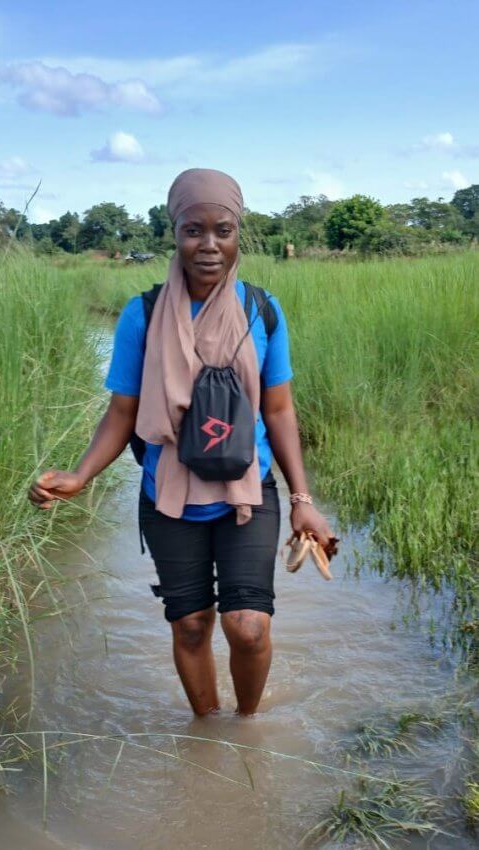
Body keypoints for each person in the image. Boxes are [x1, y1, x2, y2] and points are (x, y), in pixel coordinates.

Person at [29, 168, 334, 717]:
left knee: (248, 627)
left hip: (248, 492)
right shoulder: (142, 314)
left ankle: (246, 727)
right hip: (167, 495)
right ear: (174, 232)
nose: (209, 245)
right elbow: (122, 413)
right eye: (194, 229)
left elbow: (279, 409)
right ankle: (208, 730)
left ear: (240, 232)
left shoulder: (262, 310)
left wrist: (302, 500)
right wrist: (80, 475)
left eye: (223, 229)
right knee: (192, 624)